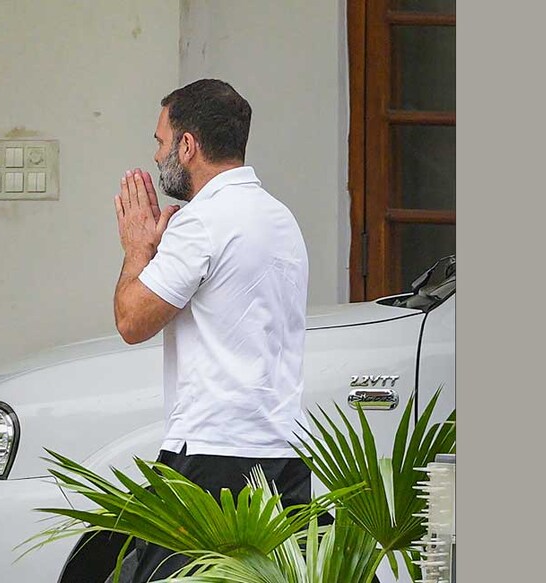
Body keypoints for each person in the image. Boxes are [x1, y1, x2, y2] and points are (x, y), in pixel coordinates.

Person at [111, 78, 312, 583]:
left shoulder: (201, 221)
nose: (157, 157)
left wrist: (138, 248)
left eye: (161, 141)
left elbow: (132, 322)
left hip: (210, 457)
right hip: (281, 452)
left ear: (188, 145)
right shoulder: (281, 219)